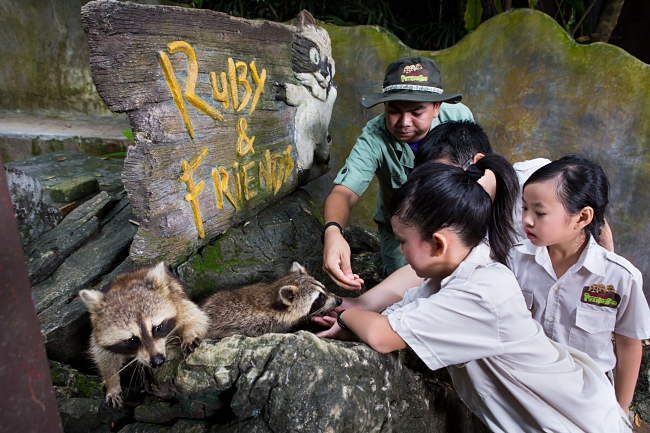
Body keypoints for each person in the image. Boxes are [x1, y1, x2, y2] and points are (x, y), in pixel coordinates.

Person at [320, 158, 633, 432]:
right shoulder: (453, 274)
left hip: (578, 422)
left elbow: (381, 335)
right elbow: (396, 318)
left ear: (439, 244)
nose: (400, 250)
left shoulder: (480, 293)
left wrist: (345, 313)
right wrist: (347, 324)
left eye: (403, 241)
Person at [509, 155, 650, 416]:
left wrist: (620, 410)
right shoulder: (513, 260)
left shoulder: (619, 277)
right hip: (523, 394)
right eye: (524, 208)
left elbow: (629, 344)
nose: (527, 220)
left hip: (588, 405)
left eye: (539, 212)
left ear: (582, 217)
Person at [322, 57, 474, 290]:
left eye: (416, 112)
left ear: (436, 108)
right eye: (394, 111)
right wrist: (333, 232)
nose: (404, 122)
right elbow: (344, 192)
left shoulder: (459, 118)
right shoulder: (375, 136)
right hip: (402, 230)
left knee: (463, 284)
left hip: (455, 219)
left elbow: (480, 177)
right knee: (404, 293)